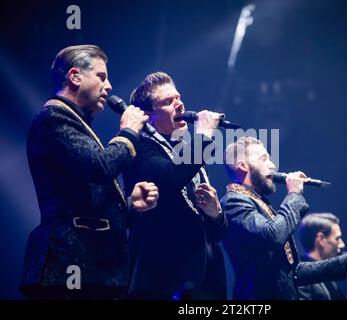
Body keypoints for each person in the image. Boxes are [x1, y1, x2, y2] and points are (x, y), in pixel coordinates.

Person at [21, 45, 159, 299]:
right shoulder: (54, 117)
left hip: (91, 268)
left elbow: (84, 196)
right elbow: (101, 167)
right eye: (102, 77)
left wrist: (129, 204)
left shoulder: (75, 121)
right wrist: (128, 132)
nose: (108, 87)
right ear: (75, 77)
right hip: (69, 268)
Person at [221, 136, 347, 299]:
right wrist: (294, 194)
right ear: (243, 166)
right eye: (264, 159)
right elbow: (273, 236)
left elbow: (295, 272)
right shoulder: (234, 202)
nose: (272, 165)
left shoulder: (260, 203)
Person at [123, 72, 227, 299]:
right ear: (148, 115)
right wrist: (204, 137)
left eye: (178, 97)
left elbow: (218, 234)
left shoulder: (186, 151)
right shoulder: (140, 147)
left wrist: (215, 214)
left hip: (204, 281)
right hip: (162, 280)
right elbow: (168, 178)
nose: (179, 104)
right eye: (168, 101)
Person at [297, 213, 347, 300]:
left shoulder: (326, 274)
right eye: (337, 238)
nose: (342, 244)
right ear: (321, 239)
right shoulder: (301, 277)